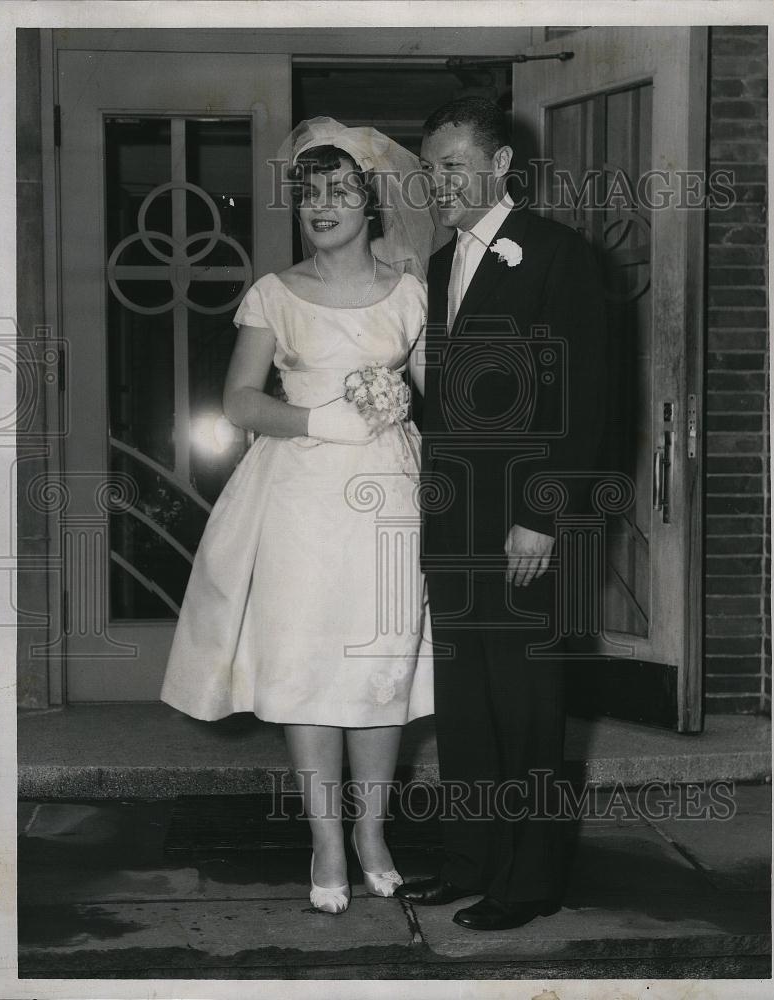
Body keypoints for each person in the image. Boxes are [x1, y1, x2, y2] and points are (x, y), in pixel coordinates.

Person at [160, 118, 435, 915]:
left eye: (339, 192)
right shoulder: (274, 294)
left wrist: (401, 402)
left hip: (387, 490)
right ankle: (323, 841)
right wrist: (318, 419)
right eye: (309, 194)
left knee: (381, 660)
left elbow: (437, 394)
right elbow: (239, 400)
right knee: (309, 663)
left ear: (369, 204)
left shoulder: (411, 291)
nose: (323, 206)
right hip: (300, 497)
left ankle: (372, 833)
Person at [394, 96, 607, 930]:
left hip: (524, 524)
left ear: (499, 168)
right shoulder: (443, 263)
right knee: (467, 706)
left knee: (526, 706)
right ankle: (470, 860)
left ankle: (532, 879)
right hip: (454, 523)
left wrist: (544, 516)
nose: (436, 182)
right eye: (429, 168)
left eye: (452, 166)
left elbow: (583, 401)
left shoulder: (560, 255)